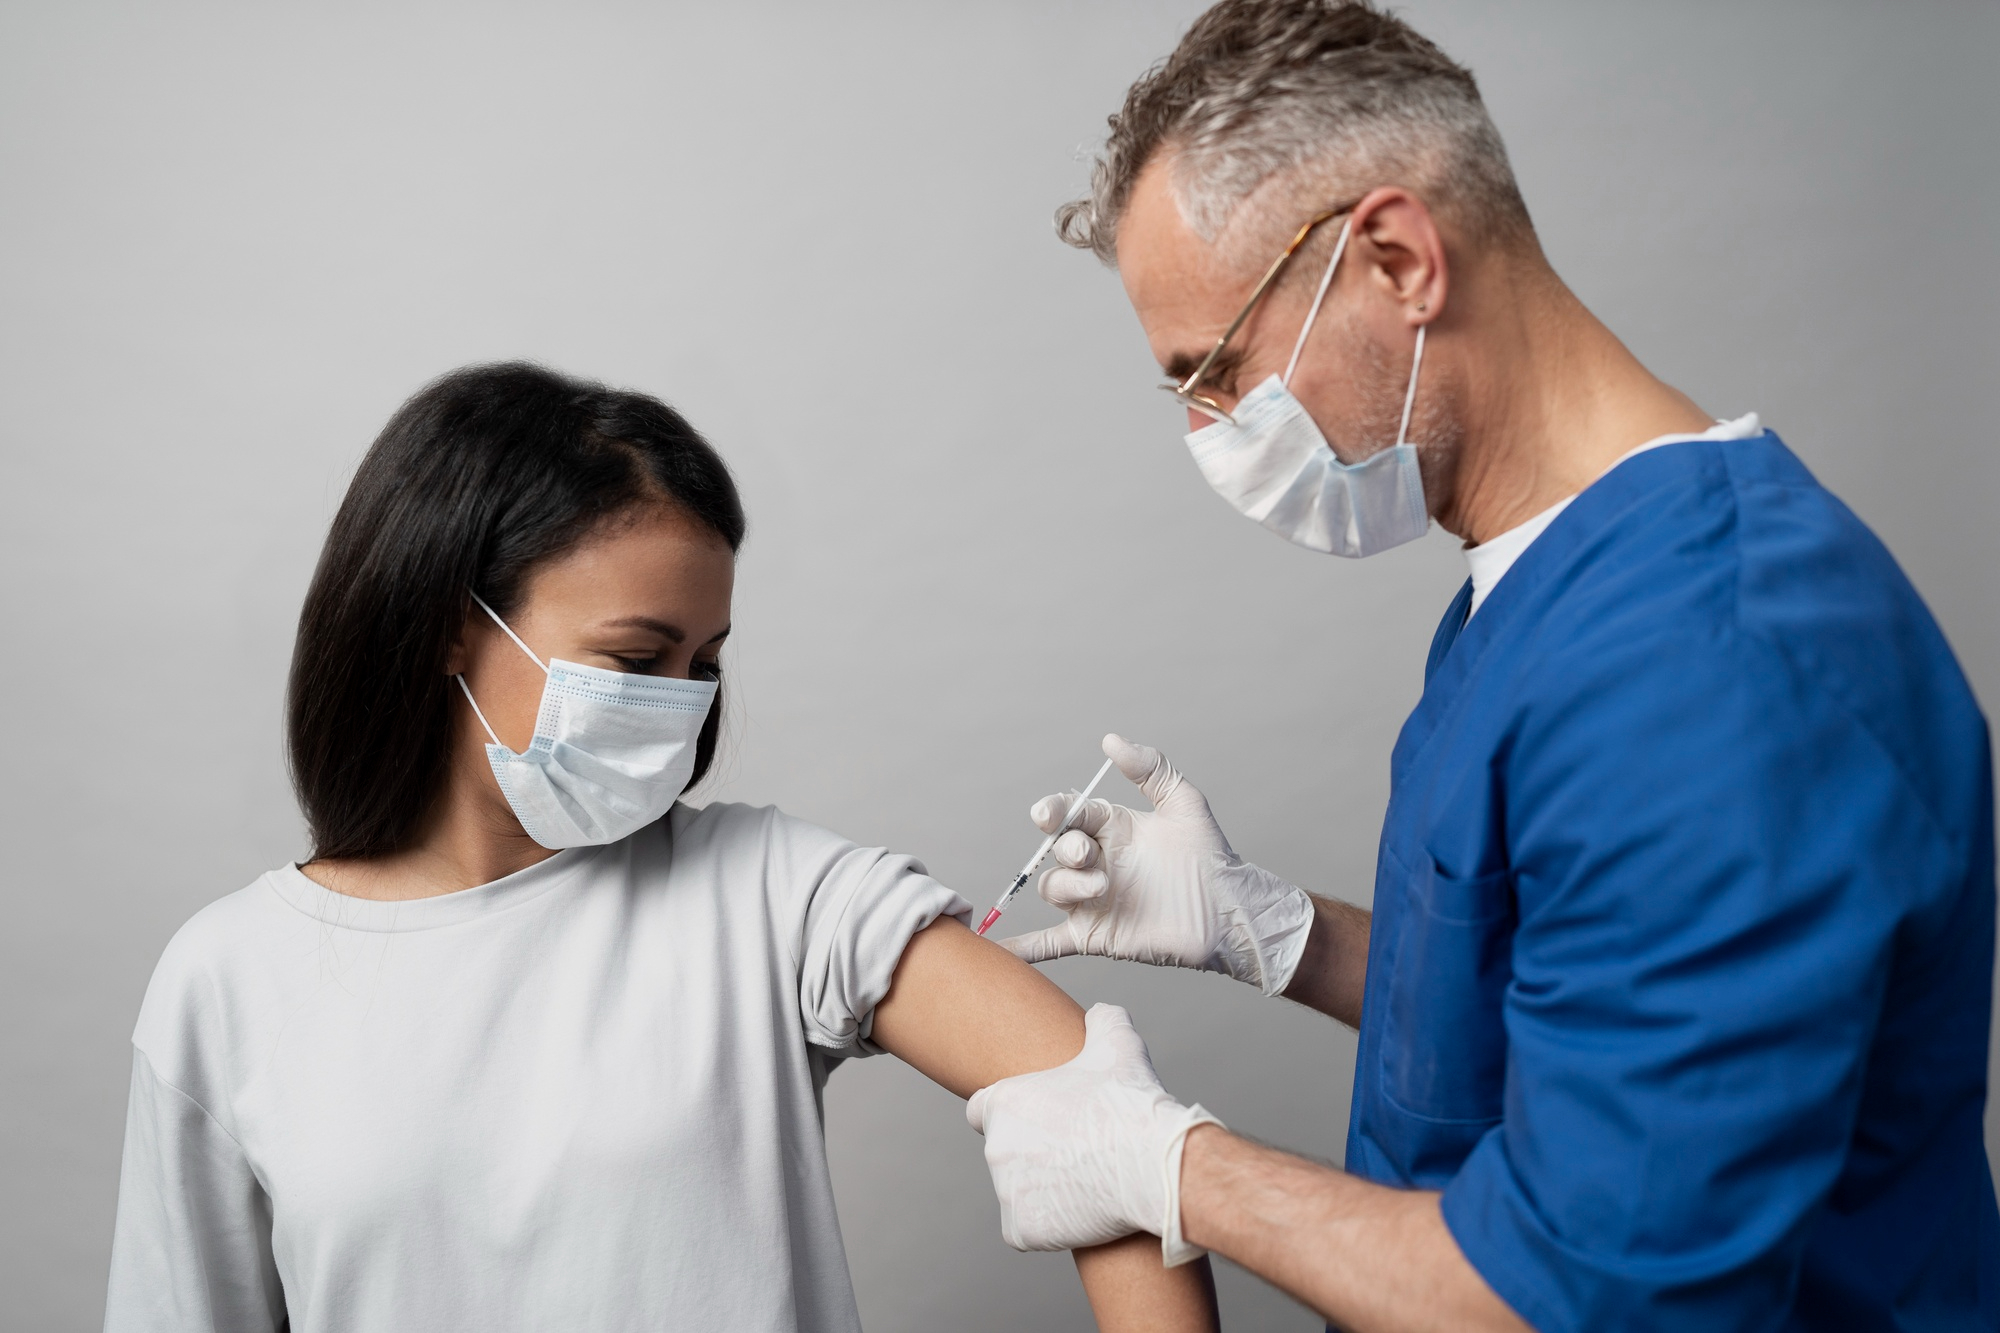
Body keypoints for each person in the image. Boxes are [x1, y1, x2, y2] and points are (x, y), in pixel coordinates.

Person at [963, 3, 2000, 1331]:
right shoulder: (1540, 588)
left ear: (1397, 257)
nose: (1210, 434)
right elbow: (1579, 1014)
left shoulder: (1716, 675)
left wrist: (1170, 1167)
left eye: (1214, 375)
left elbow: (1579, 1297)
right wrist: (1274, 932)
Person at [102, 363, 1218, 1333]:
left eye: (704, 663)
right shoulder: (231, 980)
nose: (678, 707)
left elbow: (1106, 1125)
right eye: (635, 661)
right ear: (450, 620)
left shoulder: (772, 894)